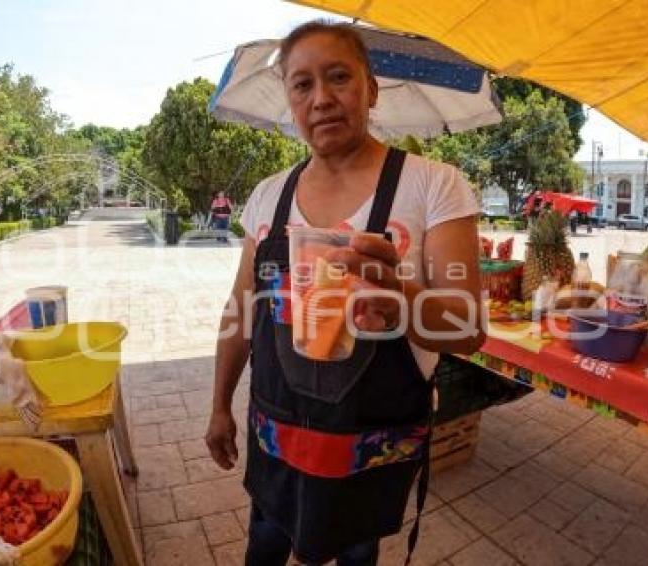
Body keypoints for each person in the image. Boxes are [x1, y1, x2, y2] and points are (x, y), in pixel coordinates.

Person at [205, 21, 484, 566]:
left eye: (339, 78)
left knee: (357, 552)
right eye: (302, 85)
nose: (322, 99)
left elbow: (468, 330)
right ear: (289, 100)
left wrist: (402, 300)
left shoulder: (433, 186)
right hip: (275, 435)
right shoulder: (267, 198)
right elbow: (240, 311)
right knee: (264, 542)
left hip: (371, 444)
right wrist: (218, 406)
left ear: (371, 88)